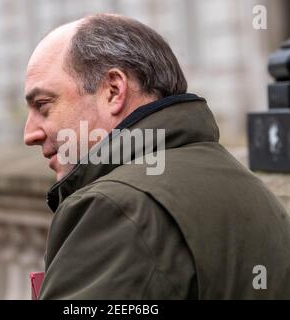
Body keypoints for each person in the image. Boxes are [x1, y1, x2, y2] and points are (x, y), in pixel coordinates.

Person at [24, 13, 290, 299]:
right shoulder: (241, 181)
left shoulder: (116, 207)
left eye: (43, 105)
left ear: (113, 91)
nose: (29, 134)